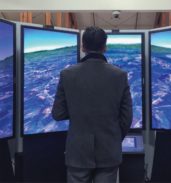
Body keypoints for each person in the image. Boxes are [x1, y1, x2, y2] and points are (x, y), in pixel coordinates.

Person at [51, 26, 133, 183]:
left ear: (83, 47)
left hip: (78, 153)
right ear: (105, 47)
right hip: (109, 151)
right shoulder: (120, 75)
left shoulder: (67, 74)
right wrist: (114, 138)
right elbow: (126, 118)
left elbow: (58, 114)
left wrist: (78, 111)